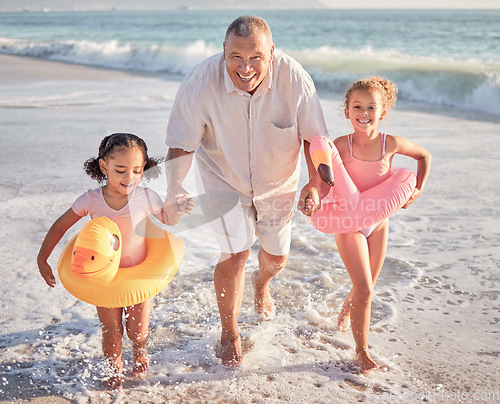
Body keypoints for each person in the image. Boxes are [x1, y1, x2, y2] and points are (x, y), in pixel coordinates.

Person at [164, 15, 328, 367]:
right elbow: (180, 145)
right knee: (235, 253)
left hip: (277, 183)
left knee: (276, 259)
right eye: (236, 56)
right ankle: (229, 334)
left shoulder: (295, 80)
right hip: (223, 178)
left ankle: (262, 284)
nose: (246, 66)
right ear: (224, 51)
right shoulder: (200, 83)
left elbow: (315, 140)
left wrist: (314, 183)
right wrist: (175, 186)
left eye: (256, 57)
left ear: (271, 52)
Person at [37, 133, 193, 389]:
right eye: (120, 170)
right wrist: (42, 258)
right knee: (111, 331)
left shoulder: (146, 196)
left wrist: (178, 207)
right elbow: (60, 226)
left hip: (139, 274)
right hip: (104, 277)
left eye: (137, 170)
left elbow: (167, 221)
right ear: (103, 166)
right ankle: (114, 366)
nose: (129, 177)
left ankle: (140, 349)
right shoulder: (91, 200)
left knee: (137, 331)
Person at [303, 76, 431, 372]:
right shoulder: (340, 146)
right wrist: (315, 198)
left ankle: (350, 306)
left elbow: (424, 155)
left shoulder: (391, 144)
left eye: (371, 107)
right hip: (349, 225)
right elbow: (325, 183)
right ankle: (361, 351)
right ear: (346, 112)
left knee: (366, 287)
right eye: (357, 106)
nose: (364, 113)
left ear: (382, 113)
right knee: (366, 289)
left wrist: (418, 188)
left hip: (378, 224)